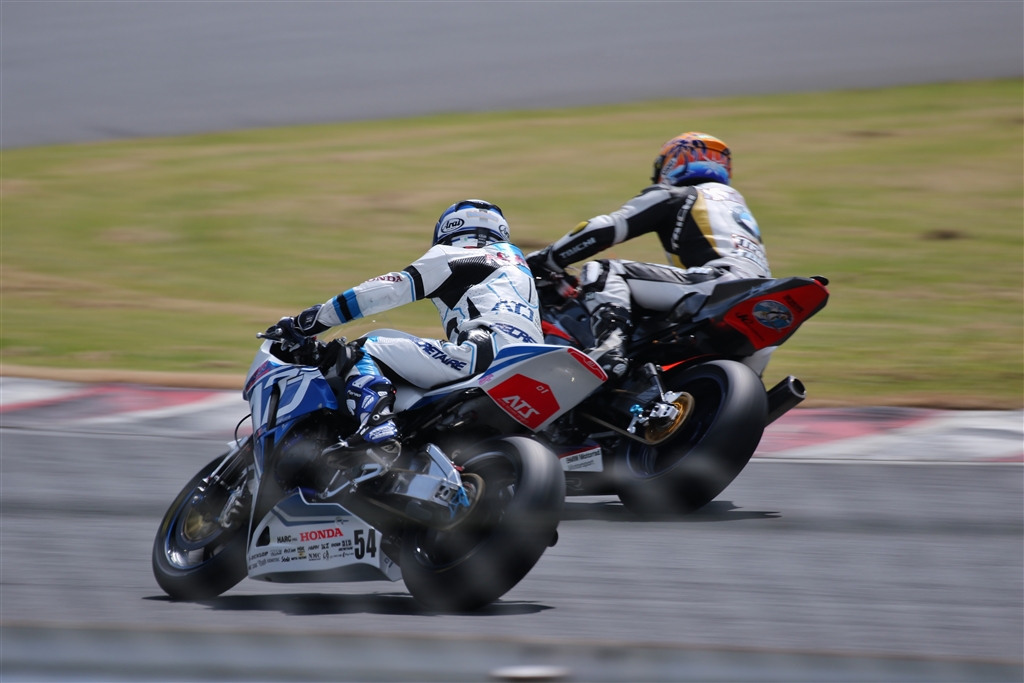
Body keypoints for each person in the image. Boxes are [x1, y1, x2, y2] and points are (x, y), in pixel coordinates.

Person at [271, 199, 542, 458]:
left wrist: (310, 321)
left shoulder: (454, 254)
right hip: (534, 365)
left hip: (483, 353)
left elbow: (385, 290)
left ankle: (377, 427)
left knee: (362, 349)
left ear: (448, 230)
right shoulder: (521, 269)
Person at [526, 132, 771, 379]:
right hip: (763, 306)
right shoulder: (736, 208)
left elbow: (603, 229)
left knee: (603, 270)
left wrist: (544, 260)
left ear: (672, 164)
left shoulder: (679, 195)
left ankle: (609, 349)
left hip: (718, 286)